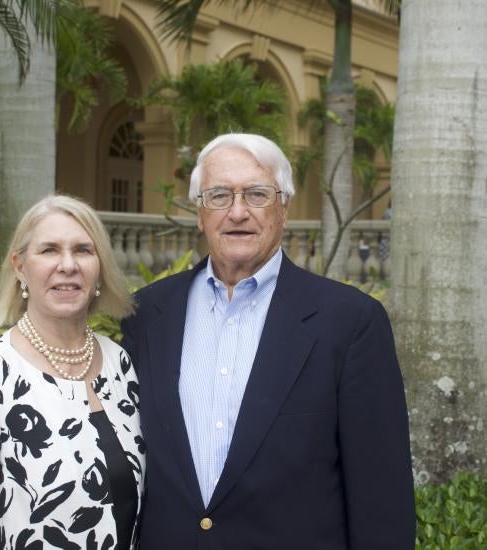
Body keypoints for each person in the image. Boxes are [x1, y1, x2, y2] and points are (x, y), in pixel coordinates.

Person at [121, 133, 415, 549]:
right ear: (199, 211)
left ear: (284, 208)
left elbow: (381, 497)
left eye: (257, 194)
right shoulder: (146, 314)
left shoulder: (350, 322)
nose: (237, 212)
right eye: (219, 195)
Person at [0, 195, 145, 549]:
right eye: (49, 250)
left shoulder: (120, 364)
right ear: (20, 266)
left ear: (99, 266)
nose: (68, 265)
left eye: (83, 250)